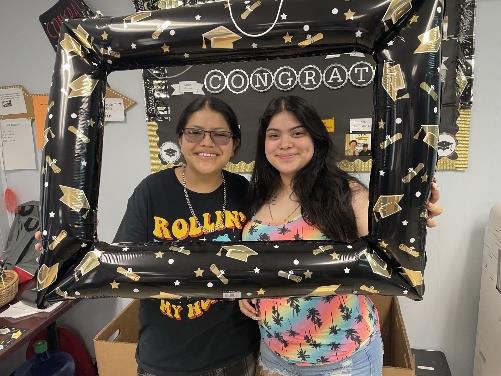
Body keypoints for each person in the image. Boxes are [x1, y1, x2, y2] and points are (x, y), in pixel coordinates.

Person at [38, 97, 260, 376]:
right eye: (195, 133)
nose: (207, 142)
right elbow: (118, 263)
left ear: (235, 144)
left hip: (235, 352)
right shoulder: (152, 191)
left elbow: (261, 257)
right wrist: (66, 249)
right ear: (180, 139)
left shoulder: (244, 191)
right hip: (168, 358)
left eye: (220, 134)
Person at [238, 96, 442, 376]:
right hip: (275, 356)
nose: (285, 143)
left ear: (316, 139)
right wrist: (243, 290)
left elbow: (392, 248)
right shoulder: (256, 196)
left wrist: (417, 218)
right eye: (274, 135)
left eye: (298, 133)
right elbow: (248, 261)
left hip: (343, 359)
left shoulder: (346, 194)